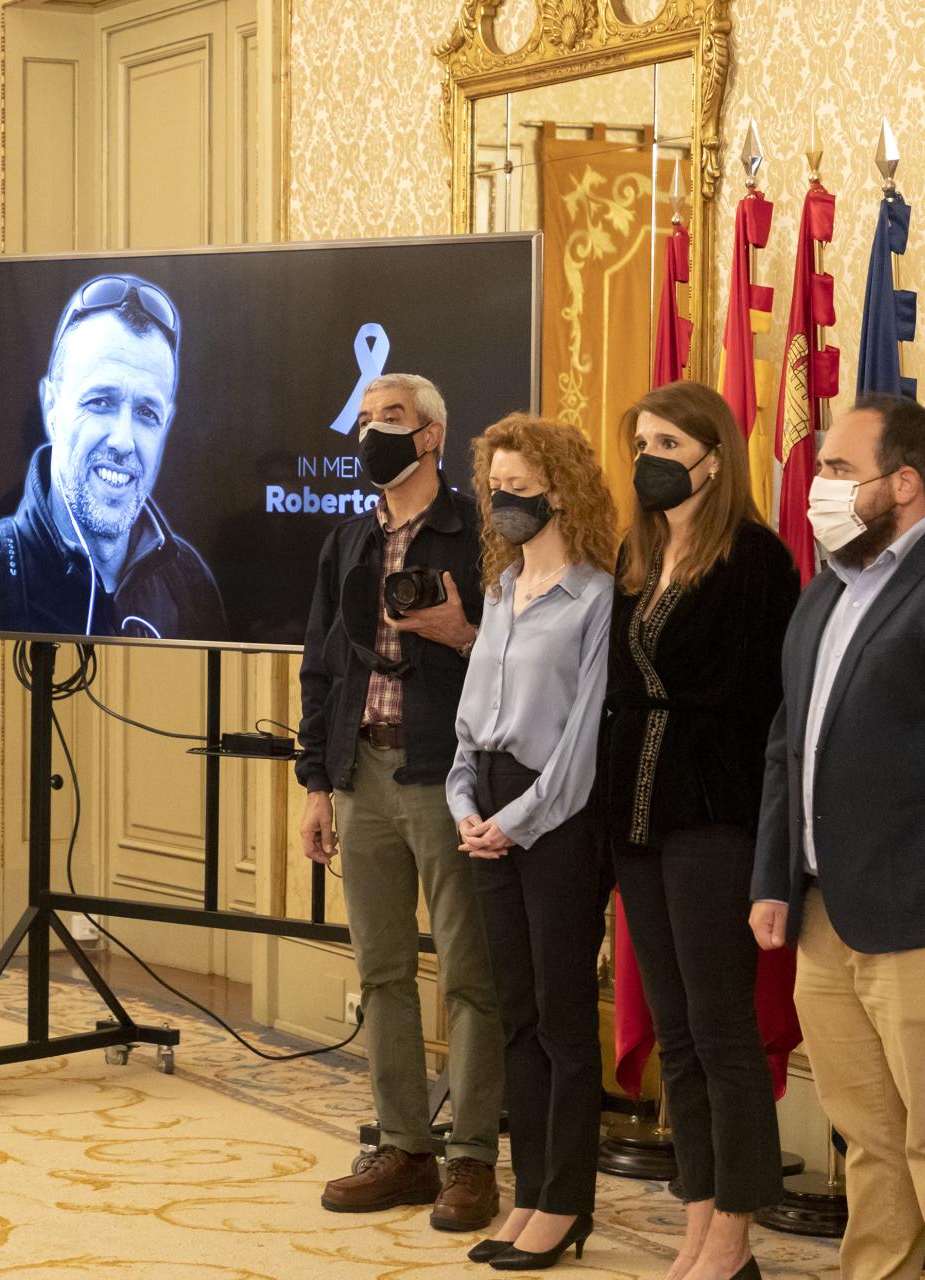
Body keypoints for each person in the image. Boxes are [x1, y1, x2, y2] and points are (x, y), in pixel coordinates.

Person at [751, 394, 925, 1280]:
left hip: (923, 916)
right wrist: (773, 879)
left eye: (840, 469)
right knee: (868, 1137)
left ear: (904, 483)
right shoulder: (826, 588)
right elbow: (787, 743)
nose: (819, 485)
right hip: (823, 912)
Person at [297, 373, 504, 1233]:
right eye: (365, 419)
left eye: (392, 417)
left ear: (431, 436)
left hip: (447, 774)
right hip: (361, 772)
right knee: (381, 969)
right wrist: (317, 782)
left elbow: (528, 663)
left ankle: (473, 1157)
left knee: (469, 973)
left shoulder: (480, 533)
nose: (372, 432)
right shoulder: (348, 538)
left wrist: (463, 634)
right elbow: (320, 665)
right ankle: (404, 1147)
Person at [603, 382, 796, 1280]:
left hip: (715, 815)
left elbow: (764, 706)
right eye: (642, 442)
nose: (650, 458)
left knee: (722, 1032)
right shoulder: (636, 553)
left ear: (713, 458)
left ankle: (735, 1232)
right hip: (637, 820)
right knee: (675, 1034)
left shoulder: (755, 559)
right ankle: (697, 1216)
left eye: (669, 444)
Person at [447, 413, 616, 1270]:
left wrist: (515, 822)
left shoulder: (596, 596)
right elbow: (471, 720)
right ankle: (529, 1192)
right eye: (495, 488)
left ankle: (566, 1203)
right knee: (514, 1012)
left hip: (555, 819)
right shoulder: (500, 588)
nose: (504, 501)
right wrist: (463, 803)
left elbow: (582, 744)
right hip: (485, 808)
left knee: (561, 1016)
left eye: (520, 487)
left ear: (562, 492)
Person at [0, 272, 225, 640]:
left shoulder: (191, 585)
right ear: (51, 407)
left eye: (147, 412)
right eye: (100, 402)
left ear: (165, 426)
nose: (123, 441)